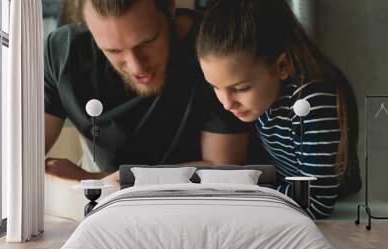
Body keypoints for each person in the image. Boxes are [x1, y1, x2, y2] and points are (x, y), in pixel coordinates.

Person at [44, 0, 254, 181]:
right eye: (114, 50)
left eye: (147, 42)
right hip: (108, 205)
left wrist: (94, 180)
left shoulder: (215, 50)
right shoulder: (63, 53)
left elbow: (222, 168)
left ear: (170, 7)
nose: (137, 66)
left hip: (200, 205)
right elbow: (22, 157)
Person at [196, 0, 361, 218]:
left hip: (340, 216)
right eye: (215, 87)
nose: (227, 104)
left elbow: (315, 203)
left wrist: (244, 192)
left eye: (241, 88)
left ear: (282, 66)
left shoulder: (312, 101)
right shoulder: (265, 96)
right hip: (291, 204)